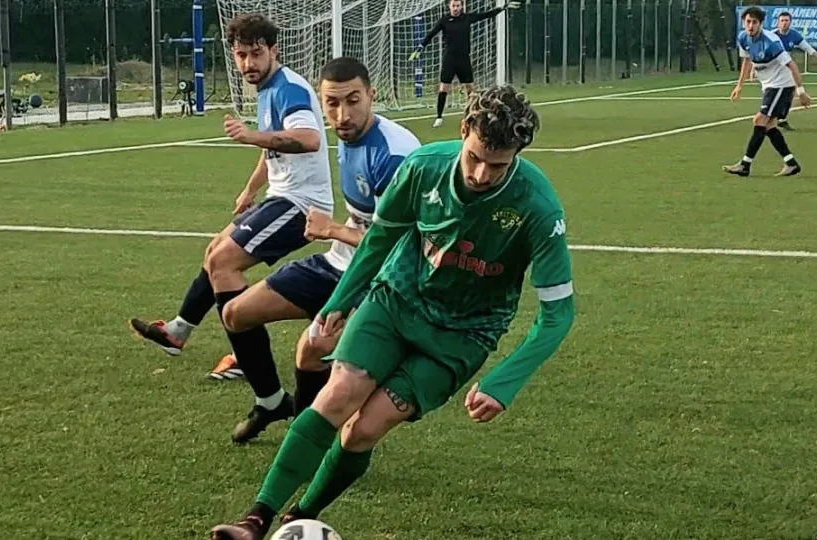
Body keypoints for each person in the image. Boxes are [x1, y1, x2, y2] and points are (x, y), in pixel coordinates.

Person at [208, 84, 576, 540]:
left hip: (462, 335)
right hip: (396, 299)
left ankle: (302, 514)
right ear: (464, 131)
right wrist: (341, 301)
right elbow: (381, 239)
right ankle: (256, 518)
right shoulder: (424, 168)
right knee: (337, 394)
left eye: (497, 165)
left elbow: (558, 314)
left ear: (517, 154)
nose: (481, 174)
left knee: (364, 430)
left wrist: (505, 381)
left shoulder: (538, 208)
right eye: (475, 157)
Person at [128, 13, 333, 401]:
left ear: (274, 51)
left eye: (256, 54)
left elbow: (307, 139)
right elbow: (273, 145)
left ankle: (249, 365)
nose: (248, 64)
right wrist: (249, 189)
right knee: (214, 252)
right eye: (241, 55)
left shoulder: (288, 88)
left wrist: (249, 135)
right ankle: (178, 330)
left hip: (302, 204)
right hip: (280, 195)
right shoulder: (268, 89)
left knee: (224, 262)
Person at [218, 56, 422, 444]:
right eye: (332, 103)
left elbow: (396, 246)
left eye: (352, 100)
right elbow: (364, 220)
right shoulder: (349, 139)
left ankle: (307, 435)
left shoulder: (393, 155)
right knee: (236, 313)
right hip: (337, 262)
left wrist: (332, 229)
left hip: (378, 277)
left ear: (371, 96)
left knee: (312, 349)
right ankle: (271, 402)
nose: (342, 114)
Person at [723, 6, 811, 178]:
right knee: (769, 125)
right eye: (748, 22)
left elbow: (792, 65)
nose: (751, 26)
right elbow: (747, 60)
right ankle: (791, 163)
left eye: (754, 22)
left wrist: (801, 91)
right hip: (769, 85)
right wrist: (739, 85)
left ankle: (745, 165)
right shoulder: (743, 38)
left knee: (759, 120)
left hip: (782, 85)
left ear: (761, 24)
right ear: (743, 22)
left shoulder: (771, 41)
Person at [409, 0, 520, 128]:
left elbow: (486, 15)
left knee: (470, 89)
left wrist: (503, 8)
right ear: (449, 7)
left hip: (464, 59)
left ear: (461, 6)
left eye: (458, 5)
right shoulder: (444, 21)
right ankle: (439, 117)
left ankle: (471, 114)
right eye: (453, 6)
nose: (455, 8)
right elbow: (431, 34)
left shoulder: (467, 18)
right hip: (450, 59)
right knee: (444, 88)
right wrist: (420, 48)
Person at [771, 11, 817, 130]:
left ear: (790, 22)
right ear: (778, 22)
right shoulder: (772, 36)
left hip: (785, 66)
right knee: (776, 91)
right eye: (782, 21)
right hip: (772, 67)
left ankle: (781, 118)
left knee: (790, 90)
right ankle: (772, 115)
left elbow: (806, 46)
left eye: (786, 20)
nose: (784, 23)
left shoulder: (794, 35)